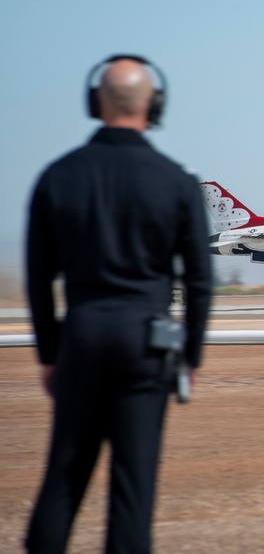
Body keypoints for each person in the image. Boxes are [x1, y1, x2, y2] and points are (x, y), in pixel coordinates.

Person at [24, 55, 213, 553]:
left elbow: (39, 279)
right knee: (133, 490)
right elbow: (199, 280)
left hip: (80, 341)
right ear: (155, 105)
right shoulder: (175, 181)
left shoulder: (56, 177)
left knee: (62, 481)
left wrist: (49, 353)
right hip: (147, 347)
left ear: (94, 103)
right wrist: (190, 356)